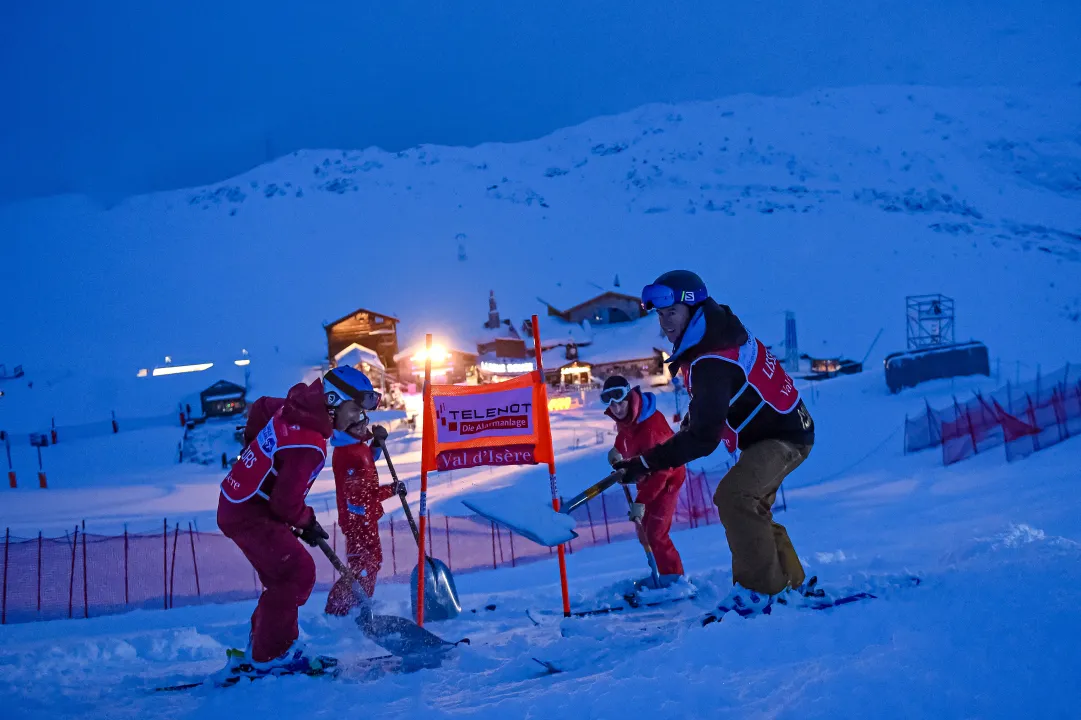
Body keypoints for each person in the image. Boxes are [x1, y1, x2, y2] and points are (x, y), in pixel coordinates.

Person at [612, 270, 817, 617]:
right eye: (661, 316)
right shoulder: (713, 331)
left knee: (735, 497)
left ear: (692, 308)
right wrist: (660, 452)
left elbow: (704, 438)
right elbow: (709, 407)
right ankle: (788, 584)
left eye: (671, 313)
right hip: (779, 430)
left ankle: (760, 591)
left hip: (783, 436)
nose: (665, 323)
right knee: (751, 507)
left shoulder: (710, 358)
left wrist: (646, 463)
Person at [216, 366, 382, 674]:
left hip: (243, 501)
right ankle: (272, 654)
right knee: (297, 572)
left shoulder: (294, 408)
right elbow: (286, 503)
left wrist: (253, 447)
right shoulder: (309, 443)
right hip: (250, 511)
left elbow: (262, 405)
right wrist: (306, 522)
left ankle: (263, 646)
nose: (357, 418)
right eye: (354, 409)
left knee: (284, 577)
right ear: (333, 400)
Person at [324, 385, 404, 615]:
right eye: (359, 422)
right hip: (358, 521)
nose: (364, 425)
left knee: (371, 563)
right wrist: (391, 490)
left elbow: (368, 460)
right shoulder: (347, 455)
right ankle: (341, 609)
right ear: (347, 428)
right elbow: (361, 498)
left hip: (365, 518)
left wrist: (376, 444)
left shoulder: (356, 447)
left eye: (364, 419)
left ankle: (357, 605)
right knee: (364, 566)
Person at [601, 375, 687, 587]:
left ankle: (675, 579)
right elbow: (626, 434)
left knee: (656, 532)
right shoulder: (630, 418)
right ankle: (660, 575)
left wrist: (641, 502)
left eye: (620, 401)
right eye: (611, 403)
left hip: (666, 480)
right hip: (646, 475)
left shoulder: (651, 428)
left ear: (630, 396)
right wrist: (618, 449)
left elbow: (661, 471)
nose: (617, 408)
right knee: (645, 532)